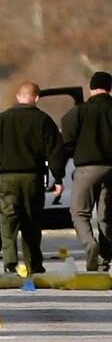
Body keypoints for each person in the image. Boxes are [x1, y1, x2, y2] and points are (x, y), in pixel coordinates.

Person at [0, 81, 65, 275]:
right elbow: (55, 152)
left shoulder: (0, 120)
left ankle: (10, 263)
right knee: (32, 222)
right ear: (36, 98)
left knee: (8, 222)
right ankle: (34, 264)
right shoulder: (44, 120)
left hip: (8, 178)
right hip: (33, 179)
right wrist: (58, 178)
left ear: (18, 97)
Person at [61, 71, 112, 271]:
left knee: (79, 212)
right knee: (106, 215)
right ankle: (105, 258)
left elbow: (66, 140)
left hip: (87, 169)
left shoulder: (79, 111)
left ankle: (92, 247)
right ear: (110, 88)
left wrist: (58, 171)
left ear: (91, 88)